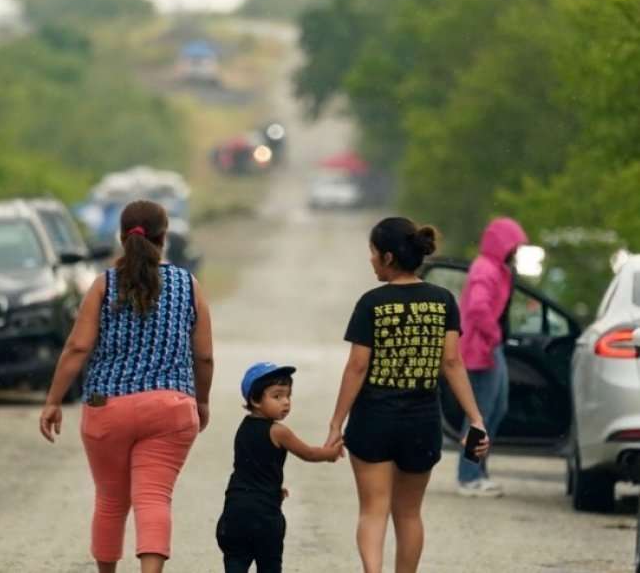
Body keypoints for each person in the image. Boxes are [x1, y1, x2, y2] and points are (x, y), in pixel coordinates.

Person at [39, 199, 214, 573]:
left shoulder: (103, 286)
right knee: (154, 498)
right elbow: (204, 357)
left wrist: (53, 400)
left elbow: (78, 346)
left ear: (121, 238)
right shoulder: (188, 285)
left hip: (108, 407)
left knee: (110, 501)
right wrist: (202, 402)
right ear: (164, 237)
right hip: (171, 405)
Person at [325, 217, 489, 573]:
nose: (370, 260)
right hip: (422, 419)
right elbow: (452, 362)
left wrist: (337, 423)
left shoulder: (372, 303)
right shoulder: (443, 301)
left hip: (373, 420)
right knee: (410, 513)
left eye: (371, 253)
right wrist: (475, 419)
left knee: (373, 510)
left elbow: (357, 367)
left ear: (386, 257)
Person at [216, 362, 343, 573]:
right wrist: (330, 454)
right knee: (270, 565)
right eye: (277, 396)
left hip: (234, 513)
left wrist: (274, 487)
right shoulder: (278, 431)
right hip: (264, 517)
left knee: (236, 562)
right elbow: (308, 453)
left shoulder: (243, 427)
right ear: (255, 400)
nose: (286, 402)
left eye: (288, 396)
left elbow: (251, 467)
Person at [456, 217, 527, 497]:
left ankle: (479, 471)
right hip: (479, 349)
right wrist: (494, 334)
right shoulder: (486, 270)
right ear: (503, 245)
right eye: (515, 245)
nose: (517, 251)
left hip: (488, 347)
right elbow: (477, 308)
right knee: (480, 415)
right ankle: (469, 475)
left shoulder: (497, 268)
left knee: (497, 409)